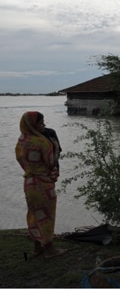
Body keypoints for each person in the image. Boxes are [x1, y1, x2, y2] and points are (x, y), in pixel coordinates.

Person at [15, 111, 67, 259]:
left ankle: (37, 248)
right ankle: (50, 250)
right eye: (40, 123)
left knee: (33, 215)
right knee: (47, 217)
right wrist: (52, 176)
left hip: (29, 184)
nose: (44, 125)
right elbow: (51, 163)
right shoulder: (42, 142)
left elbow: (21, 162)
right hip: (44, 185)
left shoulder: (21, 140)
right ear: (32, 125)